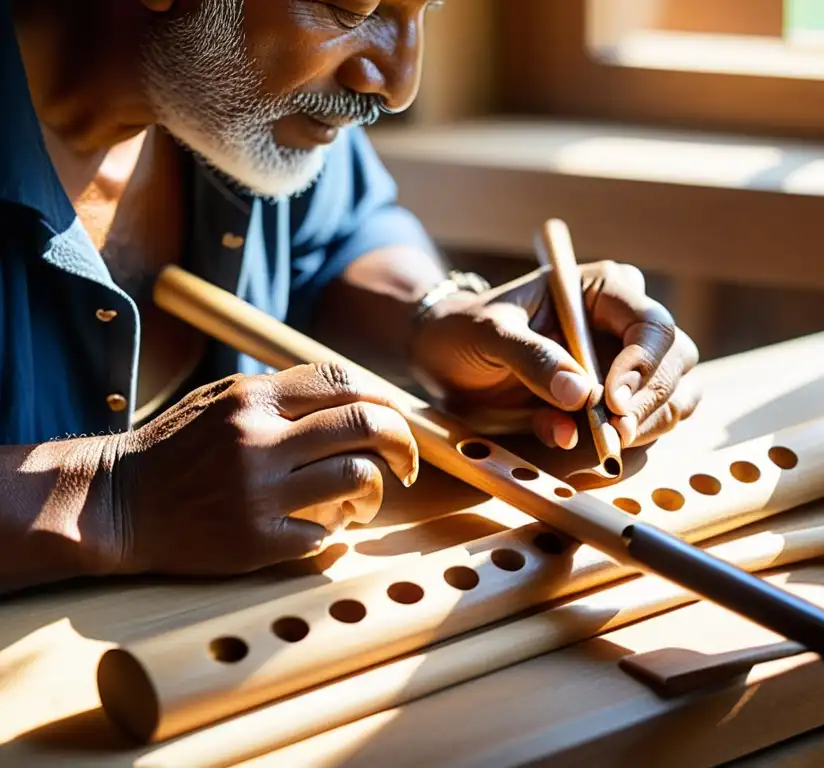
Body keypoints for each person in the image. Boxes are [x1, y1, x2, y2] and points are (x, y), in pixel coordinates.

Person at [0, 0, 700, 594]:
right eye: (352, 8)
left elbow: (343, 237)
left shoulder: (230, 96)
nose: (400, 84)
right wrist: (111, 500)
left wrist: (441, 317)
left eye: (425, 9)